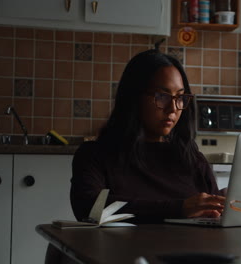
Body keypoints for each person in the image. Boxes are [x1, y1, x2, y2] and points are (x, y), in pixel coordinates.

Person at [70, 49, 226, 224]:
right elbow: (89, 207)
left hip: (191, 250)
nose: (173, 108)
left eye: (180, 97)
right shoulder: (95, 155)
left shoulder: (192, 158)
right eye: (162, 96)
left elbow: (211, 212)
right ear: (134, 97)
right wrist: (179, 208)